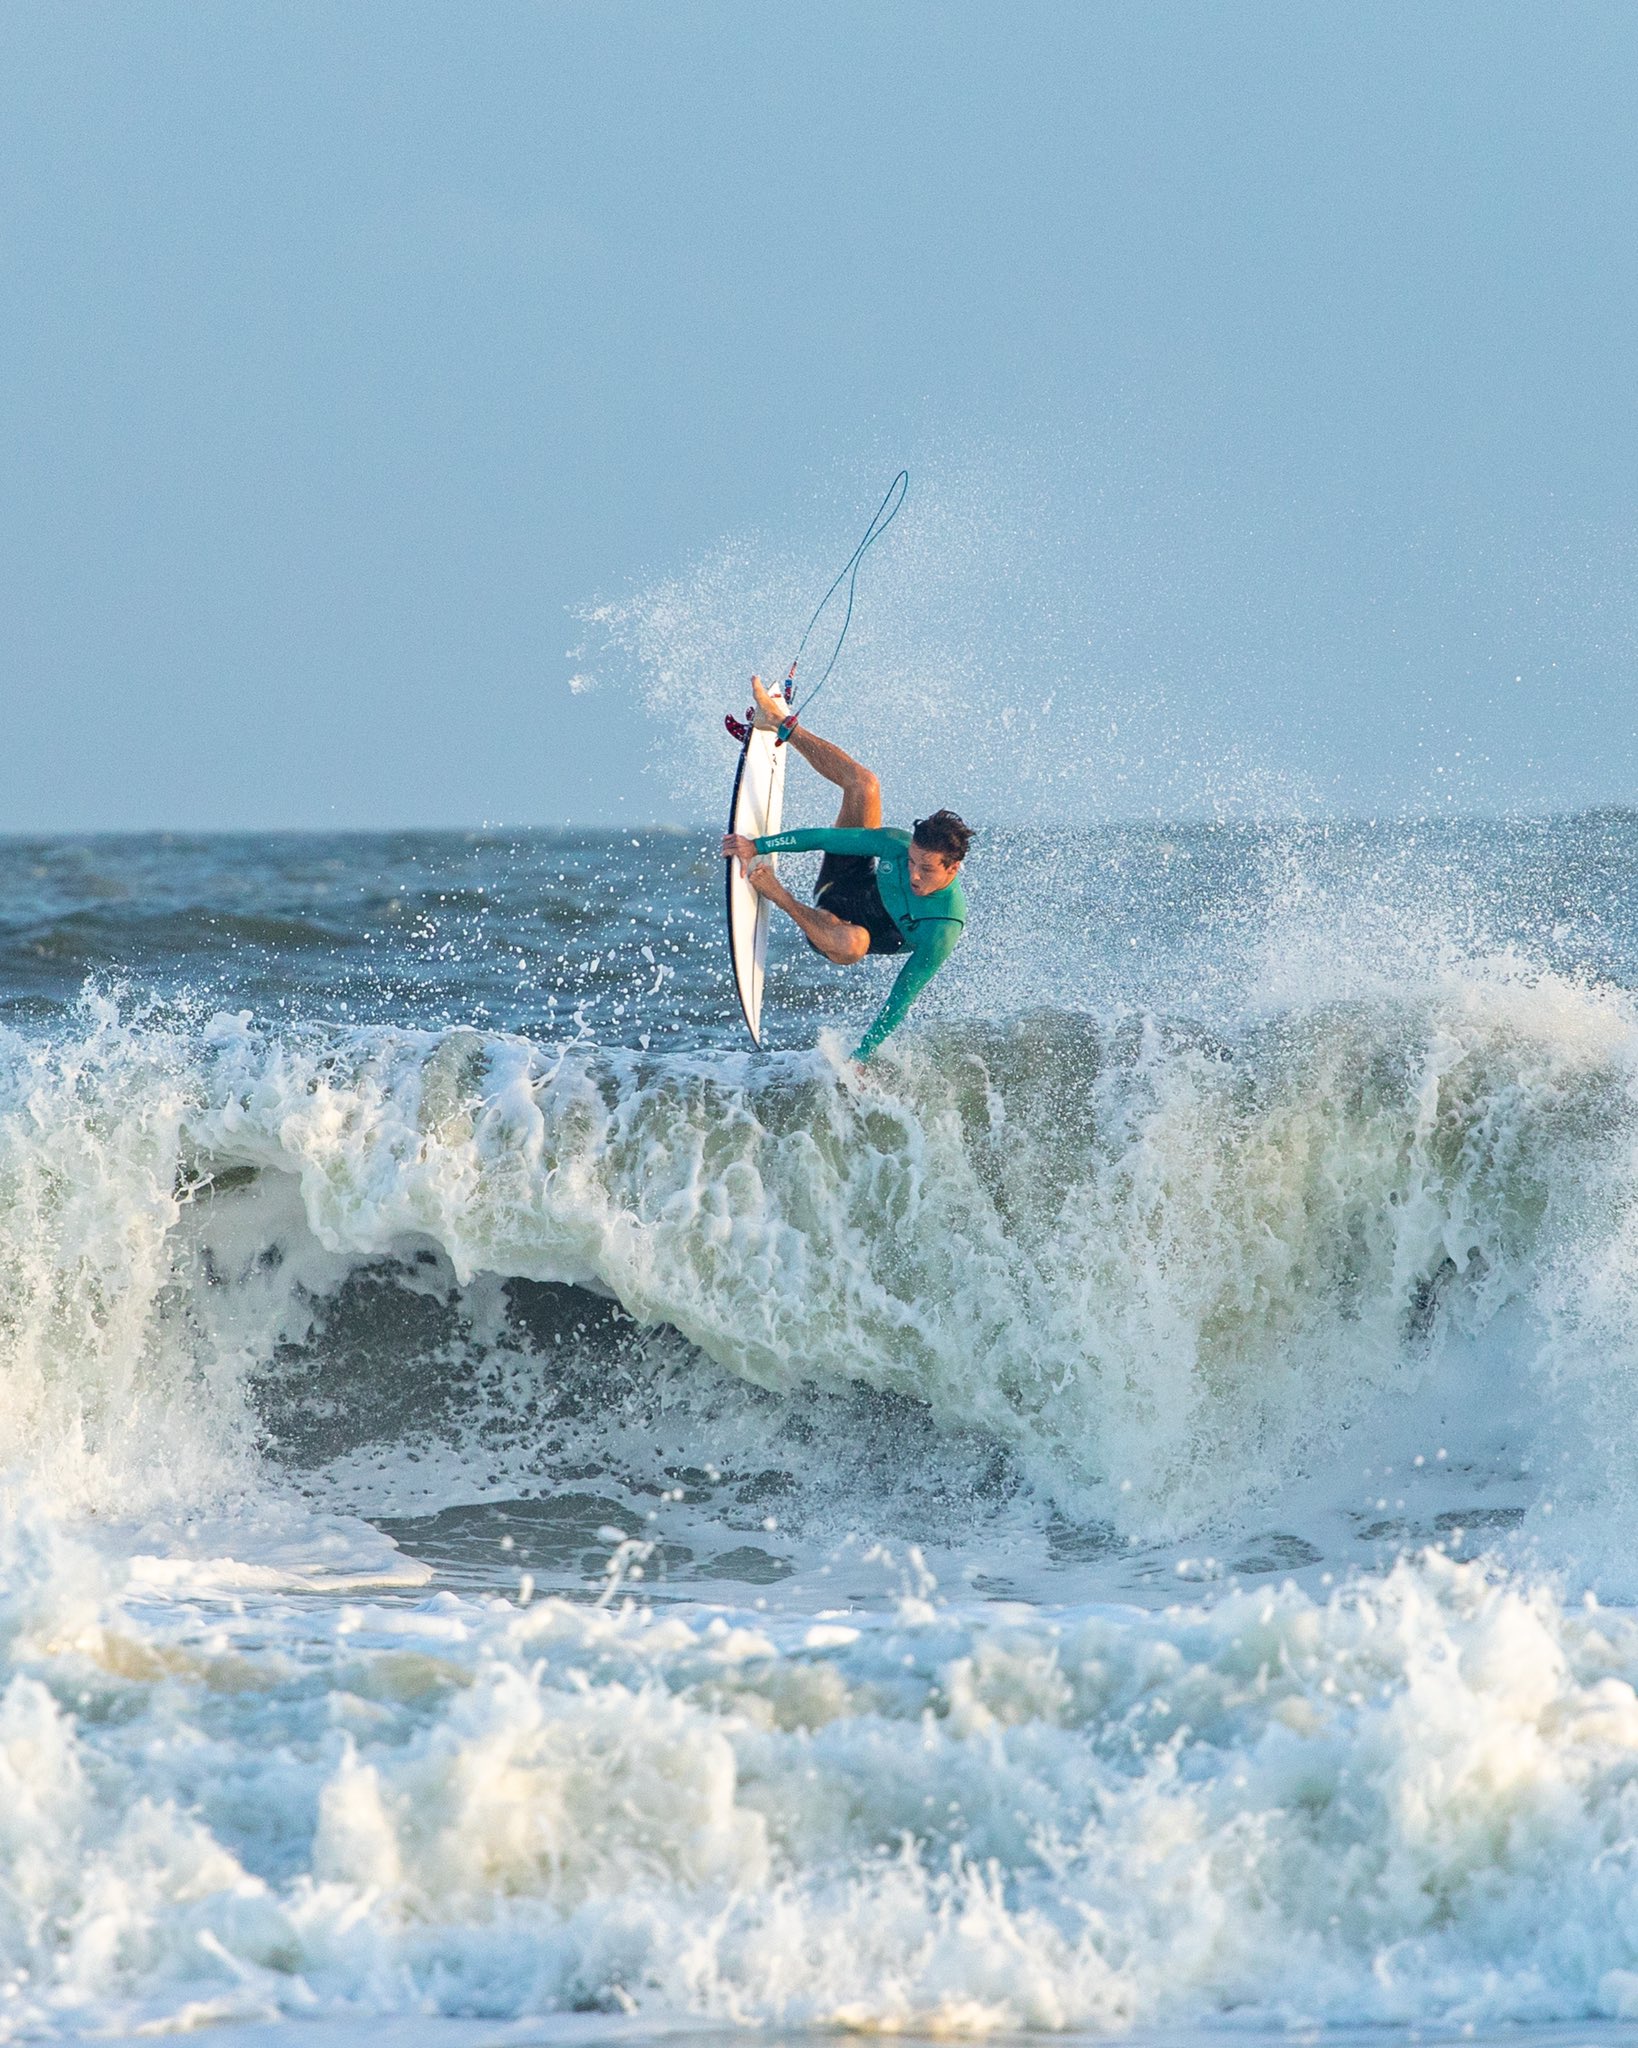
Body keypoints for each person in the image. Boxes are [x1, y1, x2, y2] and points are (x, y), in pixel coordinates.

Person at [720, 674, 971, 1061]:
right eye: (911, 862)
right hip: (843, 880)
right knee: (865, 784)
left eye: (926, 869)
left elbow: (900, 998)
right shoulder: (896, 845)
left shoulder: (943, 927)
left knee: (856, 944)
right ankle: (779, 724)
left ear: (952, 870)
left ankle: (780, 894)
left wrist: (863, 1055)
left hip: (835, 928)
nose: (914, 874)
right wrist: (758, 845)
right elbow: (826, 838)